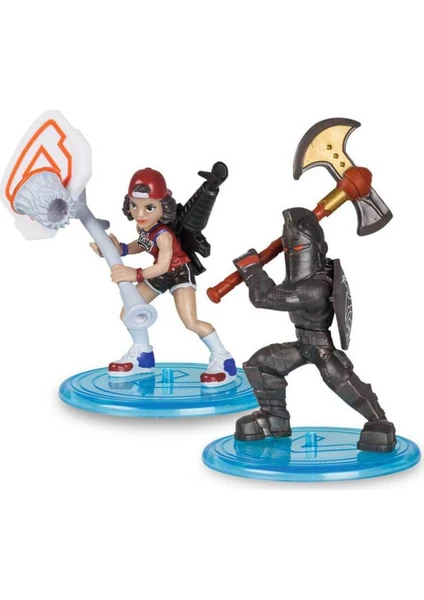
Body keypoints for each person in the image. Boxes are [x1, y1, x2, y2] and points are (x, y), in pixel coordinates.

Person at [232, 207, 396, 452]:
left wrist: (252, 269)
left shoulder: (315, 288)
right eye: (288, 251)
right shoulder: (300, 280)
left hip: (321, 348)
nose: (293, 255)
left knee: (342, 380)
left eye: (298, 249)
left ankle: (378, 421)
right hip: (301, 344)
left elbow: (263, 297)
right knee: (261, 364)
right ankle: (274, 418)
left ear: (319, 250)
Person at [90, 167, 236, 387]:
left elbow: (163, 266)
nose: (140, 214)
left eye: (149, 208)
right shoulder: (145, 228)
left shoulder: (164, 235)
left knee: (190, 322)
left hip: (179, 272)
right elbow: (142, 244)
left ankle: (224, 361)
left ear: (163, 207)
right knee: (129, 310)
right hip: (160, 273)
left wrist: (135, 273)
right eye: (134, 205)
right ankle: (142, 356)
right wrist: (120, 249)